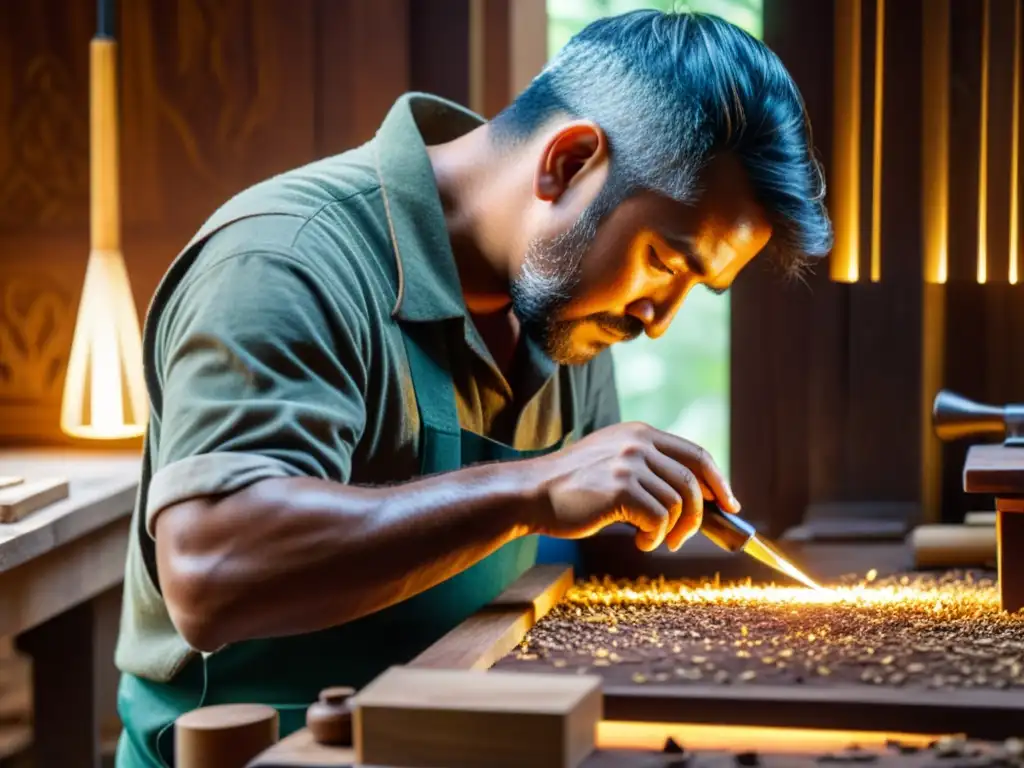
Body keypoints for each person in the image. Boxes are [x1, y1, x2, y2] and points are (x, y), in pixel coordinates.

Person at [114, 9, 832, 766]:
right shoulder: (283, 261)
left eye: (696, 288)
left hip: (457, 737)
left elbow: (582, 550)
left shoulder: (567, 309)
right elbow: (212, 571)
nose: (659, 320)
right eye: (664, 261)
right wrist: (535, 489)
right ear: (567, 163)